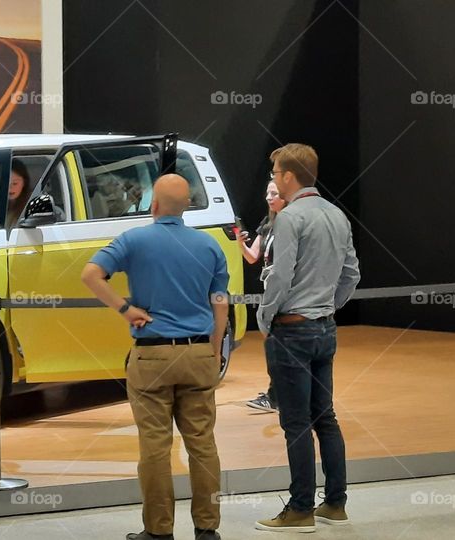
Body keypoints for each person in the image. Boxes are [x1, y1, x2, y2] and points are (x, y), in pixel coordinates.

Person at [82, 174, 227, 540]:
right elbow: (220, 301)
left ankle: (159, 531)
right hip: (198, 351)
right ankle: (207, 529)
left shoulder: (134, 240)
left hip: (152, 356)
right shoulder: (209, 246)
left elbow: (91, 274)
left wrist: (125, 308)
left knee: (155, 447)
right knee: (203, 444)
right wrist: (214, 344)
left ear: (154, 205)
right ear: (187, 207)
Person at [255, 144, 360, 533]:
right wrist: (327, 307)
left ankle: (300, 509)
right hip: (324, 328)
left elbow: (279, 276)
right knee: (325, 417)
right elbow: (352, 274)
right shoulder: (337, 215)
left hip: (293, 329)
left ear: (286, 176)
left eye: (276, 173)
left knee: (295, 422)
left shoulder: (289, 218)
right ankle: (335, 503)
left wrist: (265, 317)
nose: (274, 179)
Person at [237, 180, 287, 413]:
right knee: (273, 345)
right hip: (270, 292)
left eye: (274, 193)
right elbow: (252, 257)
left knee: (277, 346)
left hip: (285, 294)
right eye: (267, 192)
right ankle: (276, 394)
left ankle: (275, 396)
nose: (268, 197)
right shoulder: (268, 223)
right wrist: (240, 243)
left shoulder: (292, 225)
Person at [6, 160, 32, 228]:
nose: (10, 188)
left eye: (15, 183)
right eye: (6, 183)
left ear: (24, 183)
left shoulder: (30, 207)